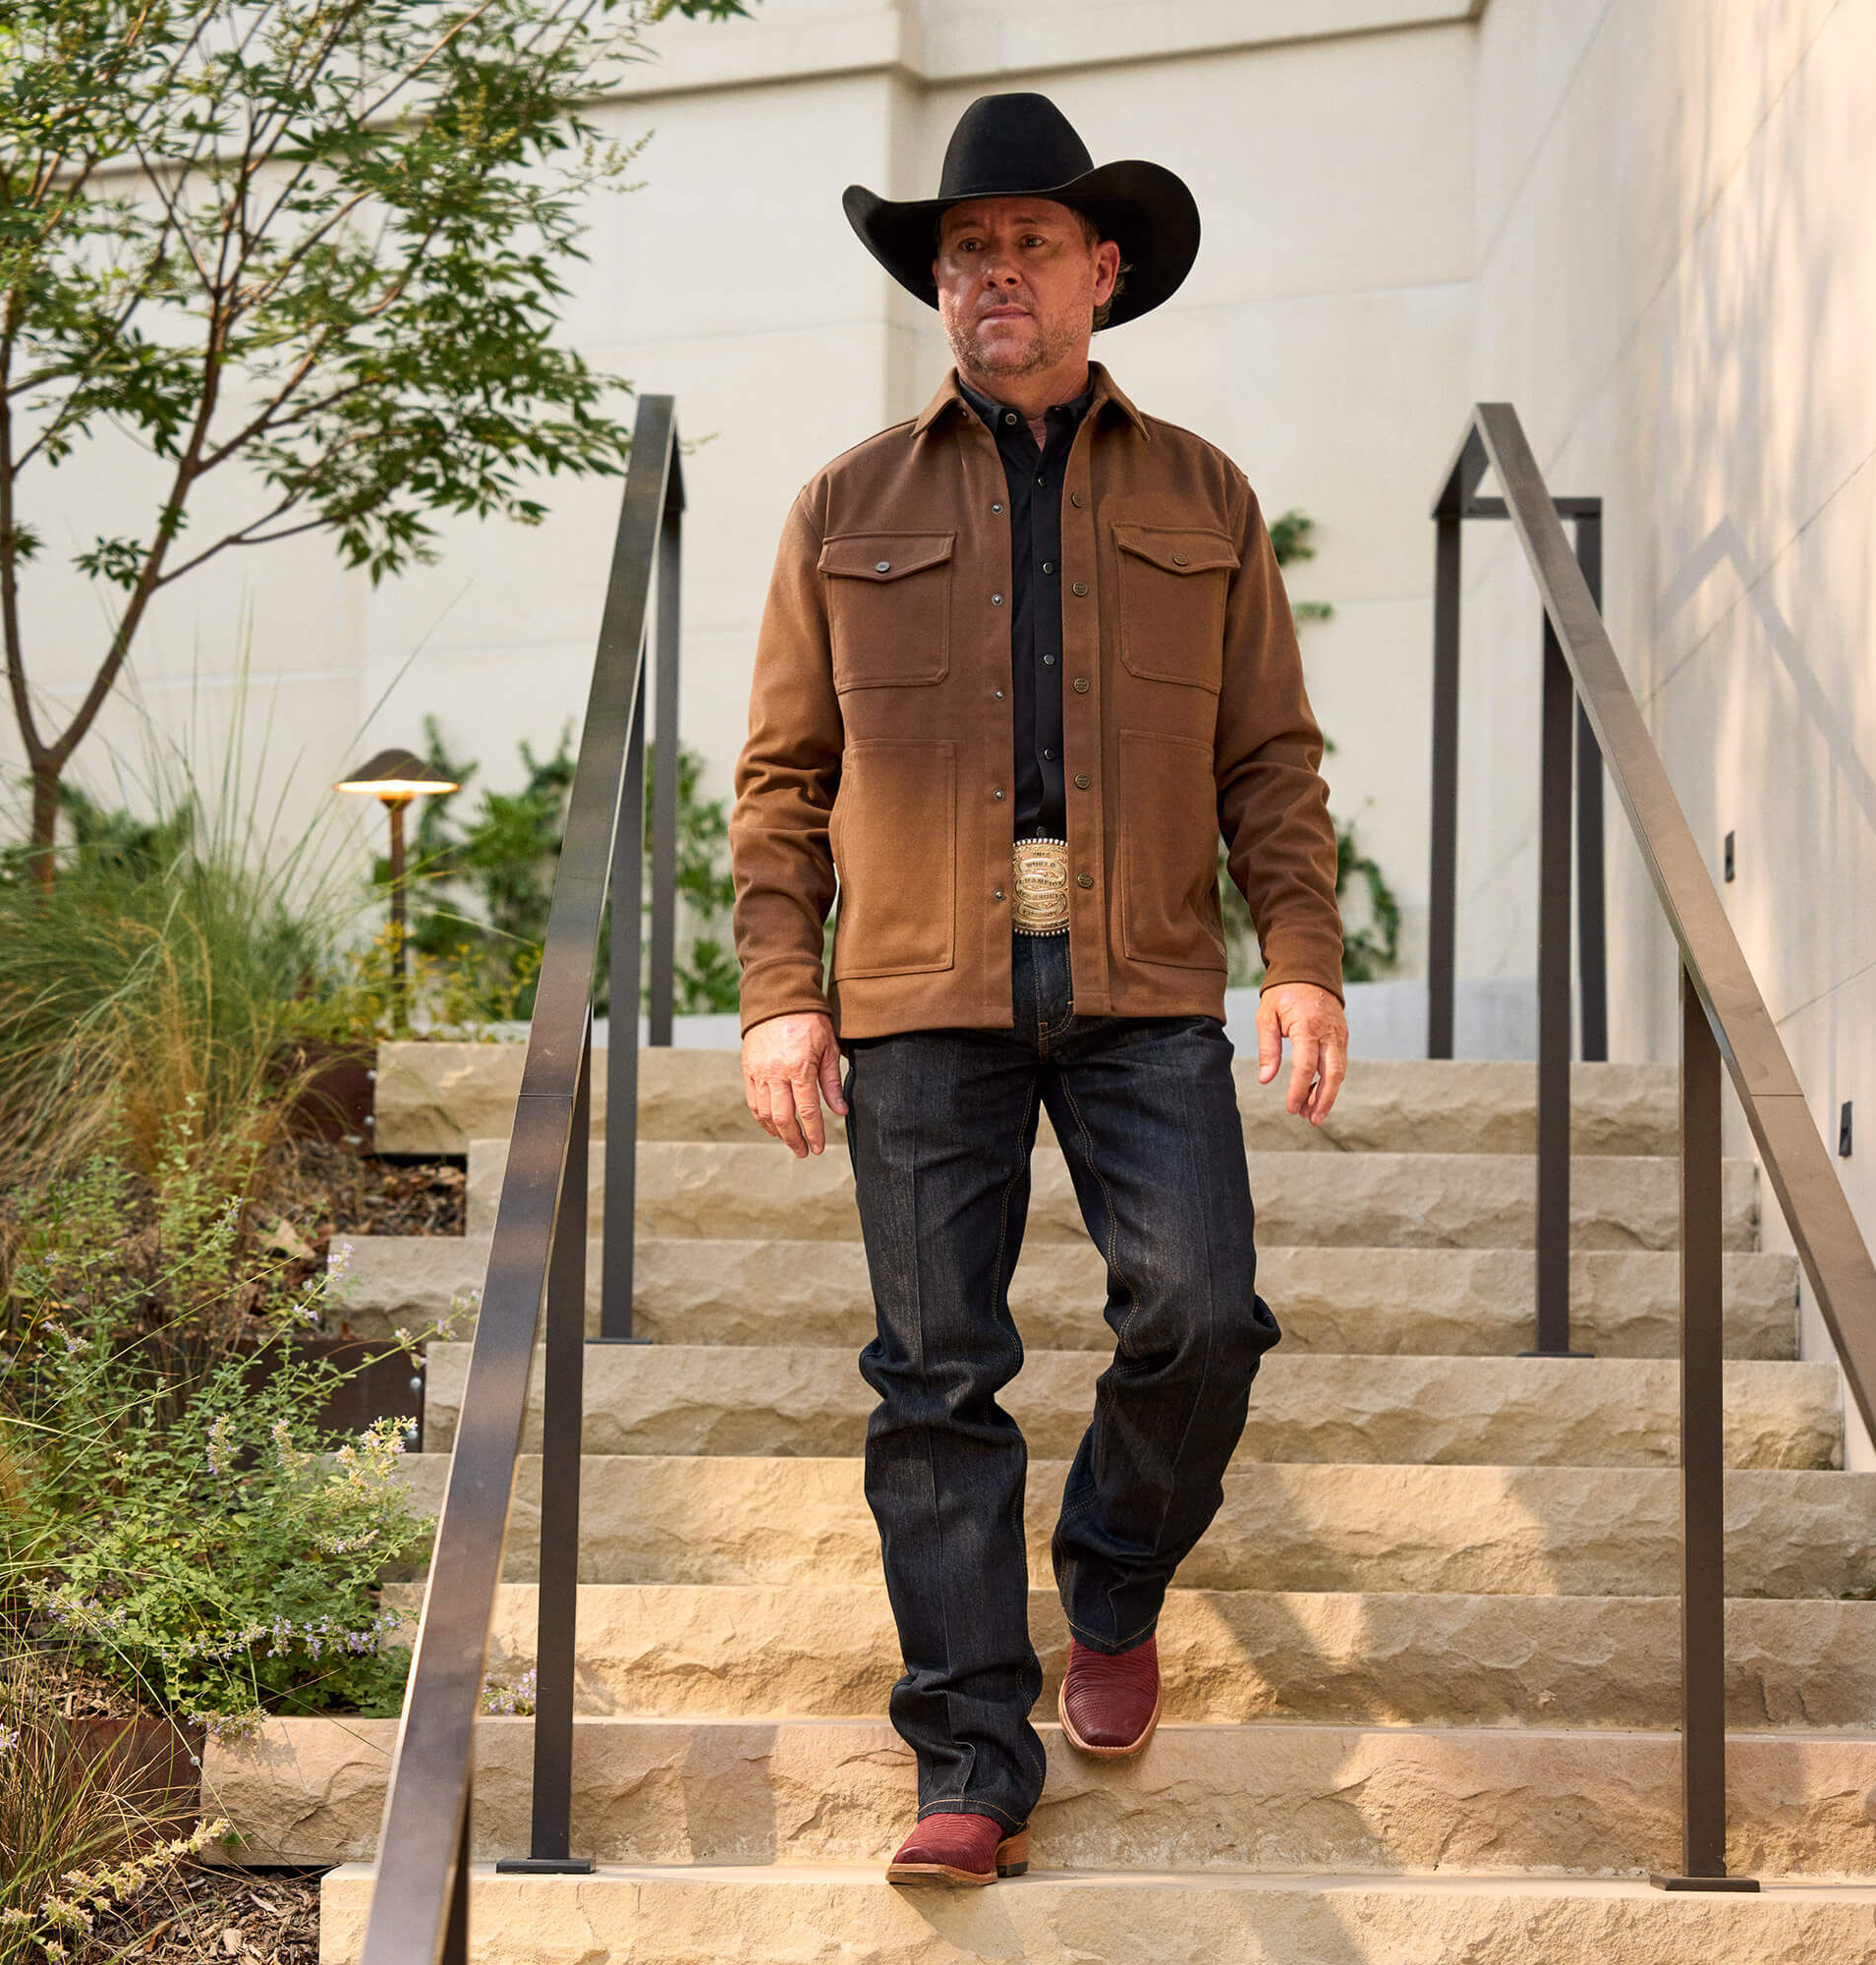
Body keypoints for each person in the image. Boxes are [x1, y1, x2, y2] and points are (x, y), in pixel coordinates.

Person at [729, 90, 1347, 1888]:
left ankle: (1115, 1577)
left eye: (1028, 243)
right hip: (920, 997)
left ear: (1104, 270)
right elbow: (781, 778)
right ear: (940, 283)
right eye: (965, 249)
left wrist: (1300, 955)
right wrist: (780, 991)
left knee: (1204, 1315)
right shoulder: (843, 504)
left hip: (1143, 983)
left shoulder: (1205, 495)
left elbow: (1270, 758)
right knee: (936, 1379)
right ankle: (971, 1764)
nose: (994, 272)